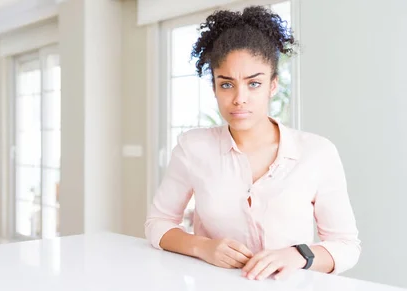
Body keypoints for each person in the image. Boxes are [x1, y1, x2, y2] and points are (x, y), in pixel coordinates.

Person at [144, 5, 360, 281]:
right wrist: (204, 247)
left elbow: (346, 246)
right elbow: (157, 224)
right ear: (213, 87)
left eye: (254, 84)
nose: (239, 98)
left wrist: (297, 255)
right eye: (226, 84)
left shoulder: (317, 153)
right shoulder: (192, 147)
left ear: (273, 85)